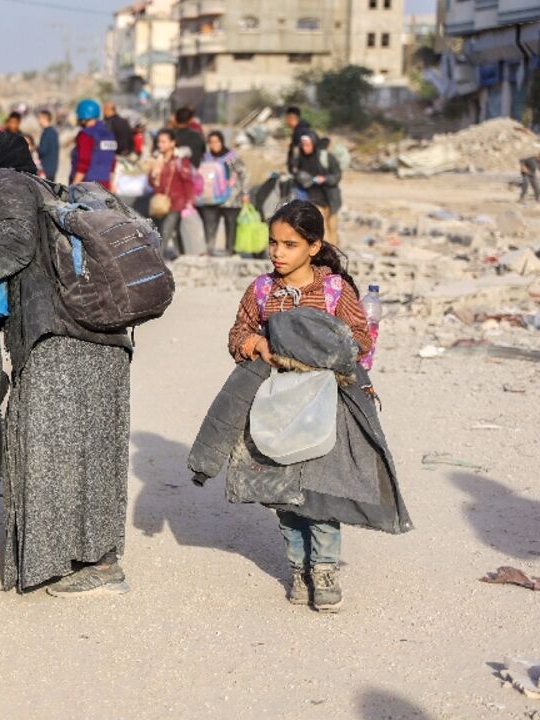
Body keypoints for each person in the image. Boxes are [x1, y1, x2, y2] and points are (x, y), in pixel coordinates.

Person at [0, 127, 133, 597]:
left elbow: (16, 245)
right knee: (90, 451)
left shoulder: (1, 181)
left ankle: (71, 563)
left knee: (45, 450)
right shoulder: (37, 184)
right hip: (95, 333)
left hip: (59, 334)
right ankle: (99, 562)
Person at [224, 200, 406, 612]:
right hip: (276, 406)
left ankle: (323, 569)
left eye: (289, 244)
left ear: (313, 246)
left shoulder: (335, 290)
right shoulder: (261, 290)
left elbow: (361, 339)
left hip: (327, 405)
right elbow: (237, 335)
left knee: (321, 495)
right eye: (273, 243)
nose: (277, 252)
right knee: (283, 493)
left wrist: (313, 348)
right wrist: (258, 344)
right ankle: (296, 568)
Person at [196, 131, 250, 256]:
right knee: (209, 224)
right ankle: (209, 249)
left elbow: (244, 174)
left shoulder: (232, 158)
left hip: (231, 198)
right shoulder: (205, 158)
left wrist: (245, 193)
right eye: (211, 142)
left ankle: (230, 250)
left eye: (216, 141)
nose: (214, 145)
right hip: (210, 197)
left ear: (222, 142)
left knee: (231, 224)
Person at [149, 128, 197, 259]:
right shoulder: (156, 159)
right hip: (160, 202)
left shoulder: (180, 160)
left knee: (166, 230)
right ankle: (180, 254)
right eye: (159, 142)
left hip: (176, 202)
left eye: (164, 142)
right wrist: (153, 174)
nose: (160, 145)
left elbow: (188, 181)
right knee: (160, 230)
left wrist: (189, 201)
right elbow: (152, 183)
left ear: (172, 143)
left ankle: (160, 258)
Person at [291, 132, 342, 245]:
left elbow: (337, 175)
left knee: (332, 227)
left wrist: (325, 179)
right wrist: (305, 178)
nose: (305, 148)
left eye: (308, 145)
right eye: (303, 145)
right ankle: (326, 253)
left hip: (330, 198)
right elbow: (296, 174)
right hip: (311, 197)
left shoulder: (326, 158)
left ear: (314, 144)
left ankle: (334, 253)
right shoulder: (300, 158)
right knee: (322, 227)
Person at [70, 98, 117, 189]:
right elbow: (113, 162)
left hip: (87, 184)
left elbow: (84, 161)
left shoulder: (86, 134)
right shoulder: (109, 134)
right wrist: (112, 184)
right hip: (105, 184)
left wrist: (74, 185)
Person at [285, 105, 314, 173]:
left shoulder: (299, 132)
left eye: (286, 118)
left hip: (303, 171)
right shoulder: (304, 129)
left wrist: (294, 168)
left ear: (291, 118)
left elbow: (297, 151)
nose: (286, 121)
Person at [36, 109, 60, 181]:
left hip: (45, 168)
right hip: (53, 168)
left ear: (44, 118)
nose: (38, 120)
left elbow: (43, 150)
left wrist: (35, 148)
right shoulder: (53, 132)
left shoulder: (46, 132)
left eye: (39, 118)